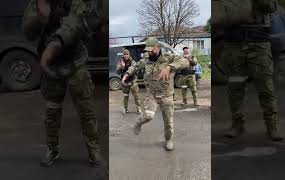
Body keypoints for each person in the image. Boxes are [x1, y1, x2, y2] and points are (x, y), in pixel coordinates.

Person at [23, 0, 104, 166]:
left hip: (75, 63)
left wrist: (53, 46)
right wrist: (40, 17)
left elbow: (76, 25)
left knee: (86, 111)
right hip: (52, 68)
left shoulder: (75, 3)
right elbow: (28, 33)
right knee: (52, 113)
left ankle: (93, 150)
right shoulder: (36, 4)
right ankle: (52, 149)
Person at [214, 0, 283, 141]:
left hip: (258, 45)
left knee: (265, 86)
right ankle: (237, 124)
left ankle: (272, 126)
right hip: (233, 45)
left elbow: (271, 7)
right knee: (235, 86)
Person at [122, 37, 189, 151]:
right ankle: (138, 123)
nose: (149, 52)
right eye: (147, 50)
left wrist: (169, 67)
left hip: (166, 94)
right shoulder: (147, 59)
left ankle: (168, 140)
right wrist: (127, 73)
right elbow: (135, 66)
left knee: (168, 122)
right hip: (151, 93)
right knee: (148, 116)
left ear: (158, 47)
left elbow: (185, 61)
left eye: (151, 49)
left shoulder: (169, 57)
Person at [116, 49, 141, 114]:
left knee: (136, 96)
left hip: (133, 81)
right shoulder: (120, 62)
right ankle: (125, 108)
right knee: (125, 96)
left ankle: (138, 108)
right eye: (124, 54)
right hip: (125, 83)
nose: (126, 55)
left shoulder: (132, 61)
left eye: (127, 54)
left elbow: (134, 68)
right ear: (123, 55)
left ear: (129, 55)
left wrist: (127, 73)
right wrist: (122, 66)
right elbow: (117, 72)